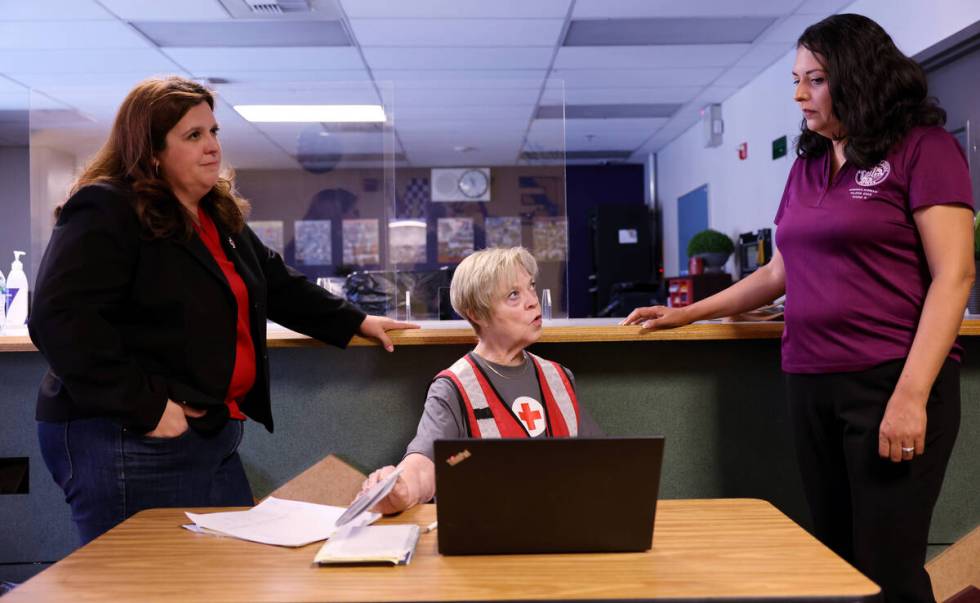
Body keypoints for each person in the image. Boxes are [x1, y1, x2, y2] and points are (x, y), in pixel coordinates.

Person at [623, 14, 973, 603]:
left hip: (891, 380)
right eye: (796, 79)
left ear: (857, 77)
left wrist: (911, 397)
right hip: (810, 380)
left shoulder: (923, 149)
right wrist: (685, 313)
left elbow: (954, 274)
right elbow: (777, 271)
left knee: (888, 569)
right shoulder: (810, 161)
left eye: (814, 79)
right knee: (835, 565)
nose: (797, 94)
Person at [28, 76, 417, 545]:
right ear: (151, 151)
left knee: (225, 571)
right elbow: (59, 320)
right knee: (142, 586)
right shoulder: (108, 208)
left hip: (208, 431)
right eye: (193, 136)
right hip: (126, 435)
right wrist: (147, 407)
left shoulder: (212, 212)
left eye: (213, 132)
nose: (212, 146)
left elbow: (274, 282)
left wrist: (356, 320)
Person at [360, 247, 603, 514]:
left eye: (531, 287)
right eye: (513, 295)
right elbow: (424, 466)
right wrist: (401, 489)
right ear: (477, 313)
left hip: (565, 526)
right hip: (492, 535)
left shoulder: (558, 376)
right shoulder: (453, 387)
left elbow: (600, 459)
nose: (533, 300)